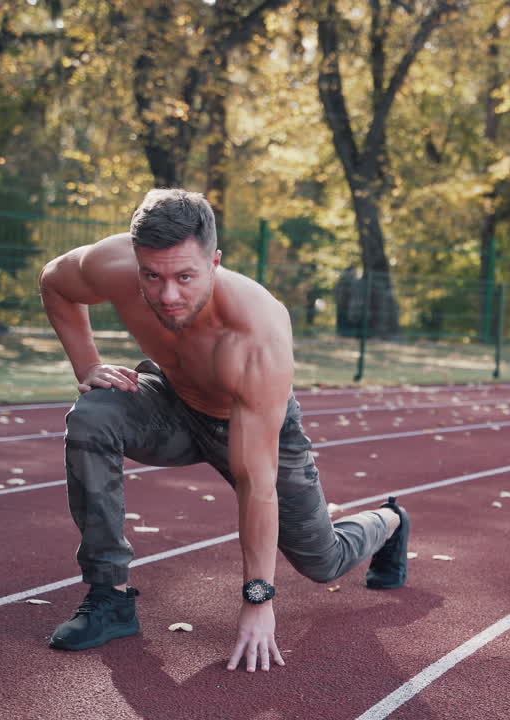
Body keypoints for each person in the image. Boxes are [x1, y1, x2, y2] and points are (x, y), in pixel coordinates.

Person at [38, 189, 410, 672]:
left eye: (185, 277)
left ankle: (388, 521)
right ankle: (109, 596)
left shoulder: (255, 334)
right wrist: (87, 364)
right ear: (134, 260)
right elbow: (55, 281)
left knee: (323, 562)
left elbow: (256, 483)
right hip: (171, 403)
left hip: (245, 419)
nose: (167, 295)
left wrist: (258, 600)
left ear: (214, 262)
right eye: (152, 276)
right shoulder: (111, 264)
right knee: (91, 416)